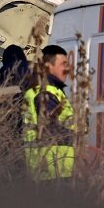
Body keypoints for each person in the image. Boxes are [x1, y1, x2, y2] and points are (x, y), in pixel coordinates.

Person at [23, 44, 75, 180]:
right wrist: (75, 136)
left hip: (54, 169)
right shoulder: (44, 92)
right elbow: (49, 128)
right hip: (50, 169)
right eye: (63, 64)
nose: (67, 68)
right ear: (48, 67)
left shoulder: (53, 91)